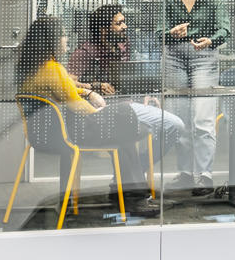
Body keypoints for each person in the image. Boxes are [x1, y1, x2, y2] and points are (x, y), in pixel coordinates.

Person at [14, 16, 159, 217]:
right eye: (63, 35)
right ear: (51, 40)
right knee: (126, 116)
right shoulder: (53, 69)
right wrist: (100, 113)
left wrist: (89, 93)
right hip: (65, 133)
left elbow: (68, 90)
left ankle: (132, 197)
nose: (66, 39)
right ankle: (131, 198)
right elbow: (77, 106)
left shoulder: (33, 68)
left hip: (46, 132)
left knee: (124, 133)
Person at [68, 4, 192, 186]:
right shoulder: (85, 52)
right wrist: (94, 87)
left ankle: (133, 171)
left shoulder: (123, 47)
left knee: (173, 127)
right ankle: (131, 184)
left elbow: (129, 76)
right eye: (119, 23)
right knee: (149, 129)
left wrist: (147, 93)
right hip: (101, 112)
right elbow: (68, 83)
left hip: (126, 105)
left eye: (124, 22)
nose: (125, 27)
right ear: (104, 29)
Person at [159, 0, 230, 196]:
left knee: (202, 118)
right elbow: (159, 31)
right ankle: (186, 174)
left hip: (204, 55)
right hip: (173, 58)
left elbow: (225, 28)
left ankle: (203, 176)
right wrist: (172, 32)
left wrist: (211, 40)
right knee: (180, 120)